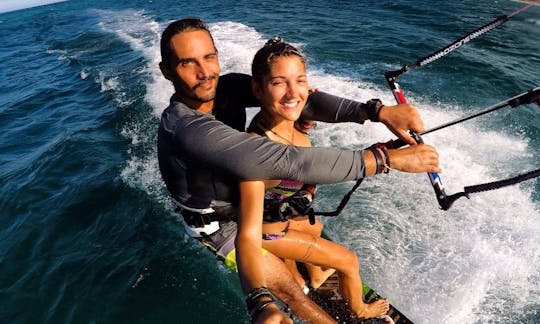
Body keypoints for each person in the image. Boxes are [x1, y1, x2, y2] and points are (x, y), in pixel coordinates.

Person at [157, 18, 440, 323]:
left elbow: (297, 100)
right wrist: (385, 160)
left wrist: (376, 111)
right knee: (292, 291)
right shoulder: (184, 127)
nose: (205, 72)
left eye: (209, 57)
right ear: (167, 71)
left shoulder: (226, 87)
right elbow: (290, 162)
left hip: (245, 191)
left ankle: (306, 270)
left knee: (309, 225)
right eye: (188, 63)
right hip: (218, 223)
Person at [236, 37, 391, 321]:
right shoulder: (257, 152)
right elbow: (248, 229)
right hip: (267, 233)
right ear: (257, 89)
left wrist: (302, 109)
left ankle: (314, 278)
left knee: (316, 227)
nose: (293, 92)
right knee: (348, 261)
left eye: (300, 81)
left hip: (285, 217)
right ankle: (359, 309)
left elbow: (302, 143)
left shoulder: (287, 124)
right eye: (279, 82)